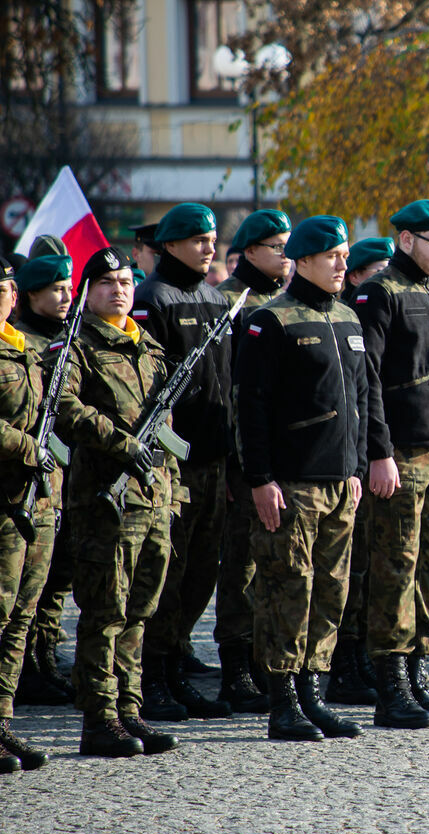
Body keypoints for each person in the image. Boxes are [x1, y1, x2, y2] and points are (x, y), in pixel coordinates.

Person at [235, 215, 368, 742]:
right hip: (292, 481)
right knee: (289, 590)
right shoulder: (272, 321)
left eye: (345, 255)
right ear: (304, 261)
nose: (342, 264)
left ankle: (315, 693)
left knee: (331, 592)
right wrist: (261, 478)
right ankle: (284, 701)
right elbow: (252, 407)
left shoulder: (348, 319)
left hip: (340, 479)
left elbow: (361, 399)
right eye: (332, 256)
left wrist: (358, 465)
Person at [57, 247, 182, 757]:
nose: (120, 290)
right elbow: (64, 409)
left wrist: (171, 488)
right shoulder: (77, 346)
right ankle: (99, 718)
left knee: (140, 611)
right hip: (105, 501)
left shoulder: (147, 345)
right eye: (107, 282)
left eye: (127, 281)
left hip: (152, 500)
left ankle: (129, 710)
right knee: (106, 611)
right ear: (88, 292)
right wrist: (121, 442)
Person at [354, 200, 429, 729]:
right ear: (405, 241)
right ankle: (391, 685)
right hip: (399, 455)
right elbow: (368, 380)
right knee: (395, 568)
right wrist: (378, 451)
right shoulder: (380, 294)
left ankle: (419, 673)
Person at [132, 202, 234, 722]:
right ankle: (153, 676)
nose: (209, 247)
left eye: (212, 238)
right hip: (176, 463)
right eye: (198, 240)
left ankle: (176, 666)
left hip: (214, 458)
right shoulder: (153, 299)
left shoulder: (216, 297)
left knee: (199, 574)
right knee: (166, 573)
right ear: (169, 245)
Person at [213, 208, 294, 714]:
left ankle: (268, 660)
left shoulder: (285, 302)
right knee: (241, 563)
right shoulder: (228, 301)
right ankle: (235, 665)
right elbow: (225, 388)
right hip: (241, 452)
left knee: (274, 565)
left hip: (282, 451)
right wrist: (232, 460)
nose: (285, 255)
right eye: (277, 247)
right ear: (249, 252)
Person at [0, 258, 58, 771]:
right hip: (3, 502)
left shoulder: (25, 348)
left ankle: (1, 723)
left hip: (35, 503)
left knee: (21, 617)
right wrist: (28, 447)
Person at [10, 254, 75, 707]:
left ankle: (43, 658)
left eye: (70, 286)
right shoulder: (24, 343)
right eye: (56, 288)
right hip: (25, 479)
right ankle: (24, 672)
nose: (67, 295)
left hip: (67, 478)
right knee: (21, 594)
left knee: (55, 578)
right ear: (30, 295)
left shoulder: (71, 336)